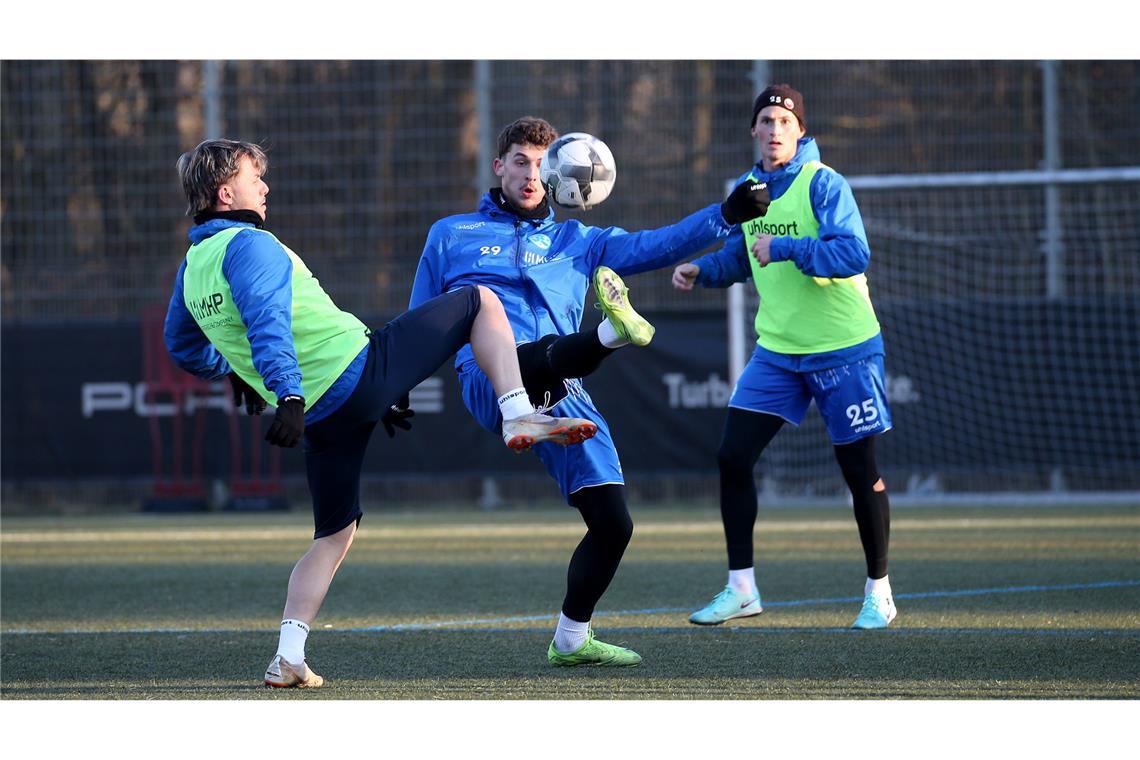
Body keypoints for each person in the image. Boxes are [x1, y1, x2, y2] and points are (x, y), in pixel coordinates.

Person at [164, 138, 597, 688]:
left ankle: (288, 656)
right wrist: (285, 392)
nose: (265, 187)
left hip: (323, 415)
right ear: (227, 193)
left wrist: (237, 372)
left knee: (334, 533)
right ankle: (519, 412)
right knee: (479, 300)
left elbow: (184, 346)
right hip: (350, 376)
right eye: (255, 178)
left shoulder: (193, 264)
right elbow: (268, 323)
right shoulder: (252, 246)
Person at [410, 116, 771, 666]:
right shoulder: (450, 234)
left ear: (560, 174)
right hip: (487, 377)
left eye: (543, 164)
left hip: (565, 388)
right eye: (522, 162)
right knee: (531, 354)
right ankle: (609, 333)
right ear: (499, 166)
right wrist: (394, 387)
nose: (532, 174)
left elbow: (657, 245)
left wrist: (725, 215)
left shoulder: (577, 240)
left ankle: (571, 639)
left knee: (613, 524)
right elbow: (418, 322)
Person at [672, 85, 897, 629]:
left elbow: (853, 252)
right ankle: (742, 589)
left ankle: (879, 592)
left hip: (843, 347)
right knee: (732, 458)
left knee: (858, 470)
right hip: (778, 351)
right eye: (766, 120)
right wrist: (704, 271)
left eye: (784, 121)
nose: (774, 129)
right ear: (752, 130)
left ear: (800, 132)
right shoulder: (746, 189)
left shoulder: (824, 183)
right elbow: (741, 258)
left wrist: (790, 248)